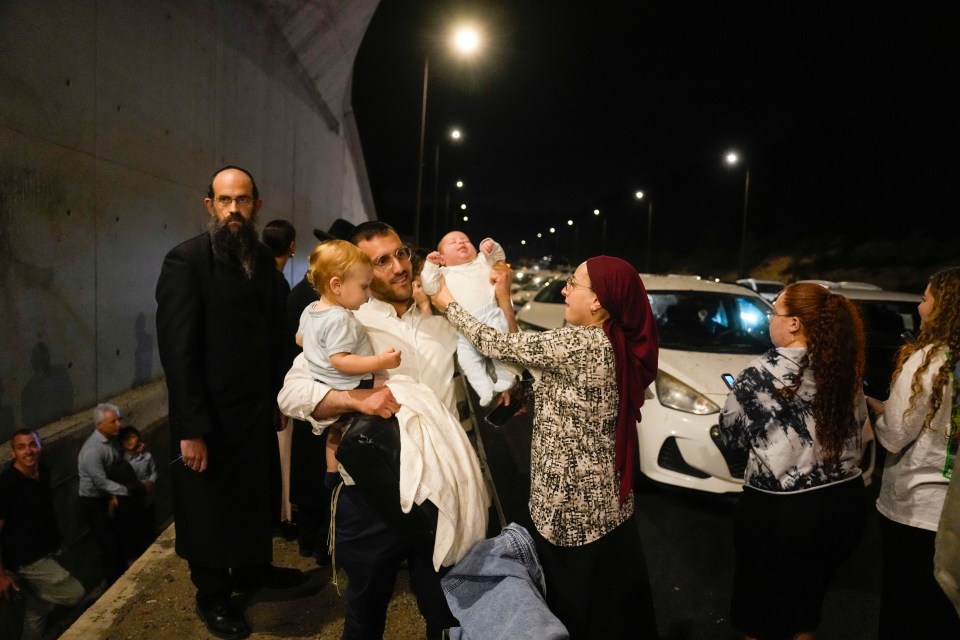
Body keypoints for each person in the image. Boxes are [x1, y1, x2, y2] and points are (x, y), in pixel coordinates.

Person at [279, 221, 502, 640]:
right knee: (365, 611)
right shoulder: (346, 321)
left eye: (401, 253)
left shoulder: (444, 315)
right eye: (381, 261)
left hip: (439, 490)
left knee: (447, 610)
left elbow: (497, 346)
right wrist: (354, 400)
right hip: (371, 492)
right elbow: (291, 395)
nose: (400, 267)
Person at [430, 255, 660, 639]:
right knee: (610, 603)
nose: (566, 290)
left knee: (575, 605)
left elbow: (496, 344)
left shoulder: (580, 342)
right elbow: (536, 359)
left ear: (598, 301)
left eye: (574, 283)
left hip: (573, 508)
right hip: (605, 501)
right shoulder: (611, 341)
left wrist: (447, 303)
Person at [155, 165, 305, 640]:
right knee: (210, 506)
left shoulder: (263, 261)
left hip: (256, 409)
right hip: (210, 417)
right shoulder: (187, 262)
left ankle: (253, 569)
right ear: (210, 206)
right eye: (224, 201)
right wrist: (189, 428)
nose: (234, 210)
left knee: (254, 493)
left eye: (242, 200)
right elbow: (178, 354)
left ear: (257, 205)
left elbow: (278, 337)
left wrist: (281, 395)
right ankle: (214, 595)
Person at [718, 282, 869, 640]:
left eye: (775, 312)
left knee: (756, 613)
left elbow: (731, 436)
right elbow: (859, 423)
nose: (770, 319)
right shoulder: (843, 368)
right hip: (843, 503)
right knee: (805, 609)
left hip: (780, 511)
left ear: (794, 323)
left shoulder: (757, 373)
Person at [869, 266, 960, 639]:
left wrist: (877, 413)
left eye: (925, 299)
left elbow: (894, 435)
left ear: (944, 307)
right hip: (951, 510)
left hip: (914, 509)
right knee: (942, 612)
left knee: (905, 610)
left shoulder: (926, 361)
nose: (920, 307)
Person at [0, 429, 85, 640]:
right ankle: (27, 585)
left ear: (40, 447)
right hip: (27, 560)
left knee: (37, 613)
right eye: (21, 447)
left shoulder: (43, 472)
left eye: (33, 444)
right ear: (13, 453)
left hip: (47, 549)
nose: (28, 451)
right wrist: (1, 576)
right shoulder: (6, 484)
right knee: (75, 593)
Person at [421, 231, 516, 406]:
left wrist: (490, 245)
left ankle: (505, 375)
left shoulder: (481, 261)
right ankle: (484, 389)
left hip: (490, 315)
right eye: (453, 242)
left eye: (465, 240)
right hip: (463, 327)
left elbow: (498, 257)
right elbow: (428, 285)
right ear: (442, 257)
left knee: (500, 348)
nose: (461, 243)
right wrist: (430, 265)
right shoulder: (443, 273)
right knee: (467, 360)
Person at [295, 239, 402, 391]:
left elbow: (300, 339)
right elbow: (342, 362)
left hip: (320, 379)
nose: (369, 293)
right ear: (337, 286)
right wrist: (381, 361)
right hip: (349, 382)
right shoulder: (341, 319)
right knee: (401, 387)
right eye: (364, 286)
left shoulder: (311, 309)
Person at [262, 218, 298, 539]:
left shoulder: (253, 277)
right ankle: (281, 516)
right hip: (276, 384)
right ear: (292, 246)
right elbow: (282, 342)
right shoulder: (278, 284)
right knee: (280, 453)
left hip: (256, 383)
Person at [77, 402, 131, 586]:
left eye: (119, 420)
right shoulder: (92, 451)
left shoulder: (111, 441)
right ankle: (114, 583)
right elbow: (100, 481)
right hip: (94, 501)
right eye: (113, 421)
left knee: (118, 539)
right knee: (109, 545)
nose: (118, 425)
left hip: (108, 496)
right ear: (99, 425)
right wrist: (128, 490)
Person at [116, 425, 157, 564]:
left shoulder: (146, 457)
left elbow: (153, 471)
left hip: (147, 498)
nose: (130, 441)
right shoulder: (121, 461)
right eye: (126, 438)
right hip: (131, 502)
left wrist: (151, 481)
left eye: (133, 437)